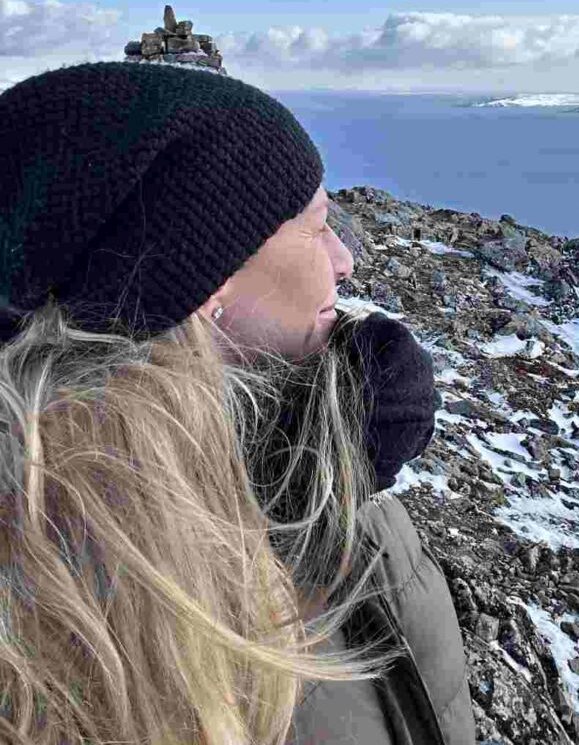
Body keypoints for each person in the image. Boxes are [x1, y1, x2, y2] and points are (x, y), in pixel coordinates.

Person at [0, 60, 476, 745]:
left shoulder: (335, 479)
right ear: (202, 279)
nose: (345, 260)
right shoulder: (64, 592)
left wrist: (321, 476)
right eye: (315, 227)